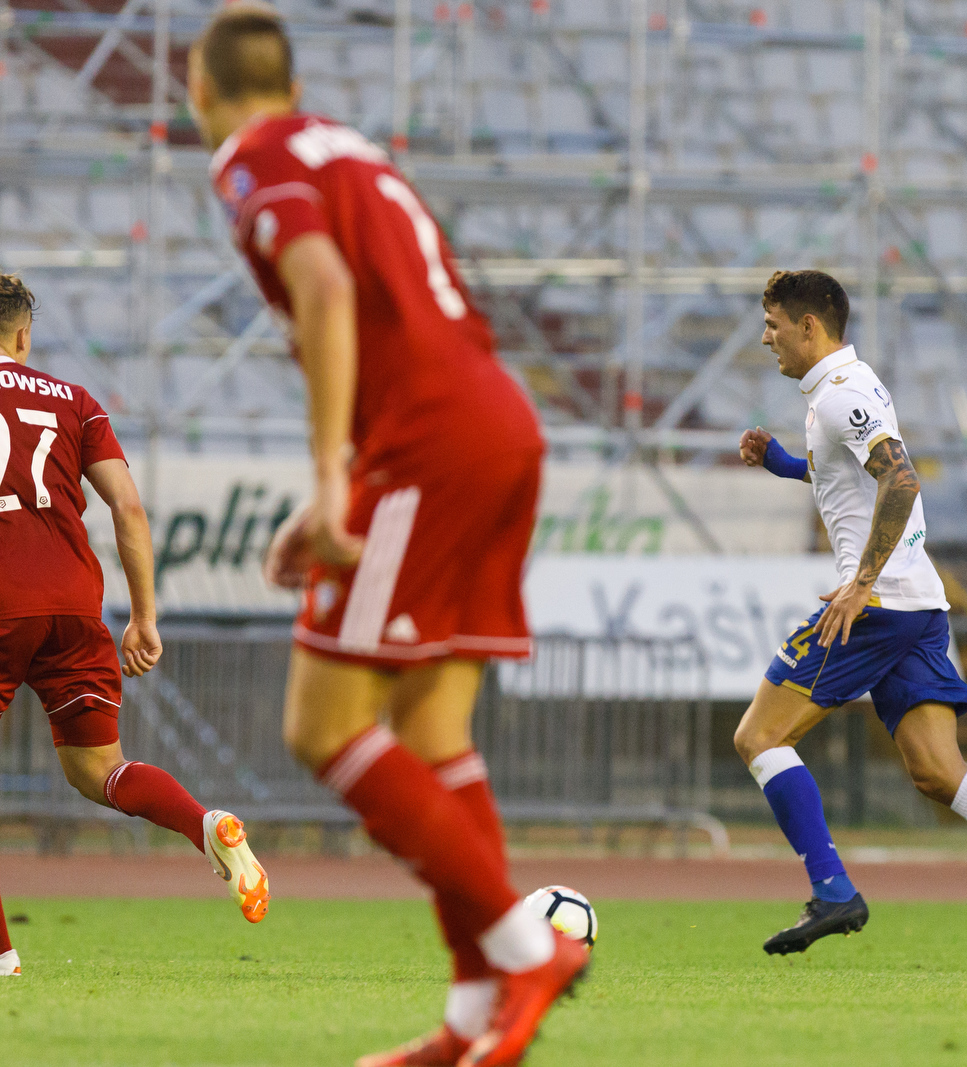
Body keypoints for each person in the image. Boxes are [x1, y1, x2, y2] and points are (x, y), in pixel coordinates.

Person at [188, 8, 583, 1065]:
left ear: (200, 85)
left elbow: (322, 285)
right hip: (496, 424)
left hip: (426, 446)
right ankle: (471, 1017)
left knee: (320, 726)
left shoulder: (250, 157)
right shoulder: (350, 147)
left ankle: (521, 946)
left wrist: (332, 477)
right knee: (431, 730)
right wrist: (337, 488)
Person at [737, 269, 967, 966]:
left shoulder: (844, 395)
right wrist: (782, 460)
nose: (766, 338)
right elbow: (844, 473)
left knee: (759, 736)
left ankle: (831, 889)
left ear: (810, 327)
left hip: (877, 606)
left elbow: (900, 477)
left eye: (773, 325)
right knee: (940, 771)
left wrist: (861, 582)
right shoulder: (841, 390)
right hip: (919, 606)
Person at [0, 272, 270, 980]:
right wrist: (144, 615)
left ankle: (1, 957)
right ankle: (204, 823)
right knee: (100, 769)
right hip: (72, 605)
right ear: (24, 335)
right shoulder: (76, 400)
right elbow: (127, 507)